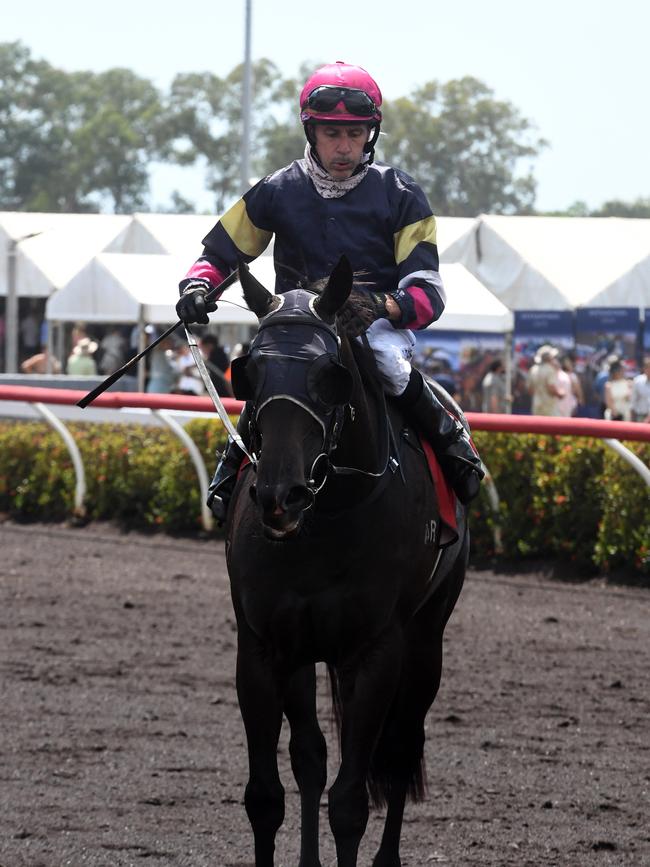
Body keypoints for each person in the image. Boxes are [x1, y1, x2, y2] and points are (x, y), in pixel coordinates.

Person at [175, 61, 484, 521]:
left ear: (370, 135)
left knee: (387, 364)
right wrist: (198, 286)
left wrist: (383, 304)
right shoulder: (277, 189)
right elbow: (219, 253)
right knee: (271, 372)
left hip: (373, 327)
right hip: (296, 326)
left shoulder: (400, 193)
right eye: (332, 134)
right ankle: (231, 466)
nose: (344, 148)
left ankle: (453, 444)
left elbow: (428, 291)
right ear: (311, 132)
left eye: (355, 134)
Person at [527, 345, 565, 416]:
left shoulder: (533, 370)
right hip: (549, 407)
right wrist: (560, 393)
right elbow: (551, 388)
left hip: (537, 405)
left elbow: (530, 390)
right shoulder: (549, 370)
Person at [631, 356, 650, 423]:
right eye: (647, 367)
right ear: (644, 368)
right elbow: (633, 402)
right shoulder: (637, 381)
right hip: (641, 417)